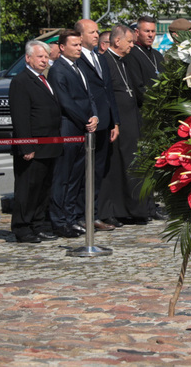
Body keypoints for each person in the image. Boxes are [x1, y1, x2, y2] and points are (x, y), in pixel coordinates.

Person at [8, 40, 63, 243]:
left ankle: (37, 225)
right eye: (40, 56)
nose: (44, 60)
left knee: (43, 189)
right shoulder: (21, 81)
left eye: (46, 56)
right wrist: (26, 145)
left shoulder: (44, 79)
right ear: (28, 58)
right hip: (32, 147)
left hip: (49, 145)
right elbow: (20, 116)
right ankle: (22, 227)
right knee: (27, 189)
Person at [47, 30, 99, 238]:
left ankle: (71, 217)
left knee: (76, 178)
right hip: (68, 129)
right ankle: (59, 220)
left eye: (80, 44)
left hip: (83, 130)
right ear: (62, 47)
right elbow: (66, 101)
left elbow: (89, 96)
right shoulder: (58, 70)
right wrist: (86, 120)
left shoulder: (78, 68)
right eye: (74, 45)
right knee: (63, 178)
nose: (79, 48)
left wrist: (94, 116)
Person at [99, 24, 152, 223]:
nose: (132, 45)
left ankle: (134, 209)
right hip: (118, 122)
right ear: (117, 41)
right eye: (129, 41)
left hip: (132, 120)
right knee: (117, 167)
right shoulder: (105, 61)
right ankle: (116, 211)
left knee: (131, 164)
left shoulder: (123, 61)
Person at [74, 19, 120, 230]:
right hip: (88, 122)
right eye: (91, 32)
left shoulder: (99, 58)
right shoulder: (76, 59)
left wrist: (114, 121)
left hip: (104, 121)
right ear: (80, 36)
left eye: (97, 32)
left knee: (99, 170)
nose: (96, 35)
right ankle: (81, 215)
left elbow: (108, 90)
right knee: (85, 172)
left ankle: (94, 214)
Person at [126, 16, 165, 92]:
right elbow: (137, 86)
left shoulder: (158, 55)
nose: (150, 35)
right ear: (137, 32)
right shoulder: (131, 54)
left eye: (153, 31)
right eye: (147, 31)